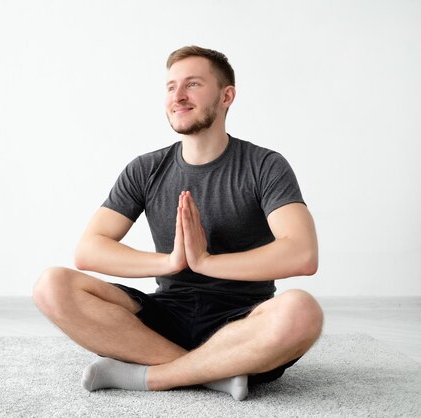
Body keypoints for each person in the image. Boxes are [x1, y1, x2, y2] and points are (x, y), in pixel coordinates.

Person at [33, 46, 323, 401]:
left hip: (243, 323)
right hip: (165, 317)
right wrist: (171, 262)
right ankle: (216, 372)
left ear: (226, 96)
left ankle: (154, 376)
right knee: (52, 285)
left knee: (302, 311)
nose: (178, 96)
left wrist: (207, 262)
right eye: (171, 87)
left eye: (193, 84)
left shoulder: (265, 165)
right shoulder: (145, 168)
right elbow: (90, 250)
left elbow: (302, 254)